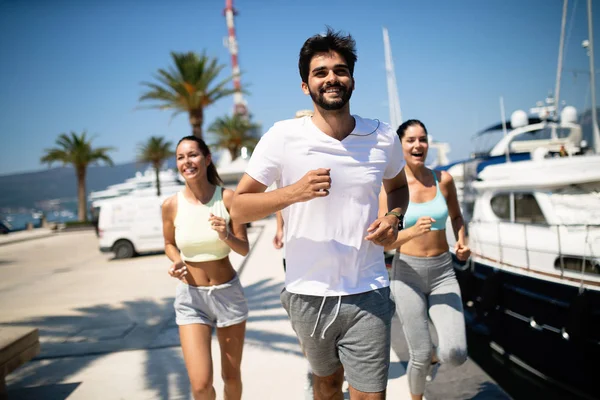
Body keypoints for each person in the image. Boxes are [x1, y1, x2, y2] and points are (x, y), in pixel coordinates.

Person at [231, 28, 408, 400]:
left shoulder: (383, 137)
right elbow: (239, 205)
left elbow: (398, 188)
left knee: (370, 395)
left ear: (352, 80)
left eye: (340, 70)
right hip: (307, 293)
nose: (332, 78)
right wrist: (294, 192)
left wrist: (393, 218)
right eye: (321, 72)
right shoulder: (283, 136)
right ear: (305, 86)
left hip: (369, 289)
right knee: (326, 386)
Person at [382, 119, 470, 400]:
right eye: (411, 140)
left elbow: (456, 217)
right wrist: (411, 232)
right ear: (400, 146)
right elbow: (385, 242)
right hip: (407, 274)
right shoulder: (392, 188)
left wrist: (462, 241)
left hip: (443, 272)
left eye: (422, 139)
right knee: (419, 355)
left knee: (455, 354)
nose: (418, 145)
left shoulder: (443, 180)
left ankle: (436, 355)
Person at [162, 136, 250, 400]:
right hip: (191, 299)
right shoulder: (171, 206)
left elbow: (244, 248)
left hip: (227, 294)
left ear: (207, 158)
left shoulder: (228, 198)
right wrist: (176, 260)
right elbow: (168, 243)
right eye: (180, 157)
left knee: (231, 377)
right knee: (200, 385)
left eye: (192, 155)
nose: (186, 162)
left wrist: (226, 236)